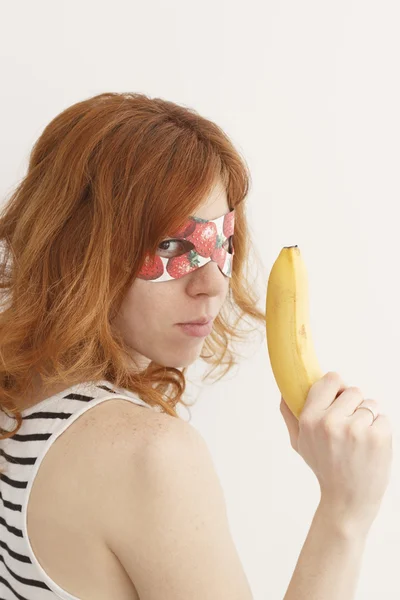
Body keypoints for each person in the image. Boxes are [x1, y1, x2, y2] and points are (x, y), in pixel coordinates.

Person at [0, 92, 392, 600]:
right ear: (79, 247)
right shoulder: (150, 456)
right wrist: (346, 513)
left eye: (222, 240)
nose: (213, 283)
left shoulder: (16, 398)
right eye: (169, 245)